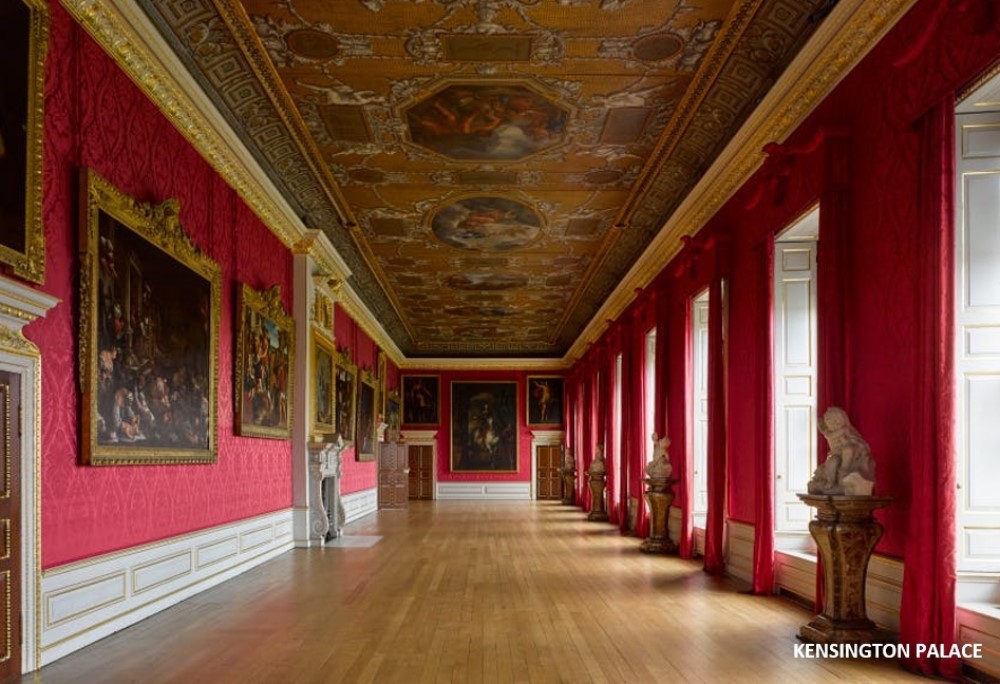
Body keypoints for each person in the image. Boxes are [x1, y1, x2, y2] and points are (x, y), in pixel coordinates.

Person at [807, 407, 876, 495]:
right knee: (833, 461)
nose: (830, 423)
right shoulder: (829, 432)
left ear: (839, 420)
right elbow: (829, 434)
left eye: (832, 420)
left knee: (848, 450)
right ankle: (831, 482)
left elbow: (855, 440)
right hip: (836, 453)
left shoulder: (844, 430)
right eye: (827, 421)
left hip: (849, 450)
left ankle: (844, 471)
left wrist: (845, 440)